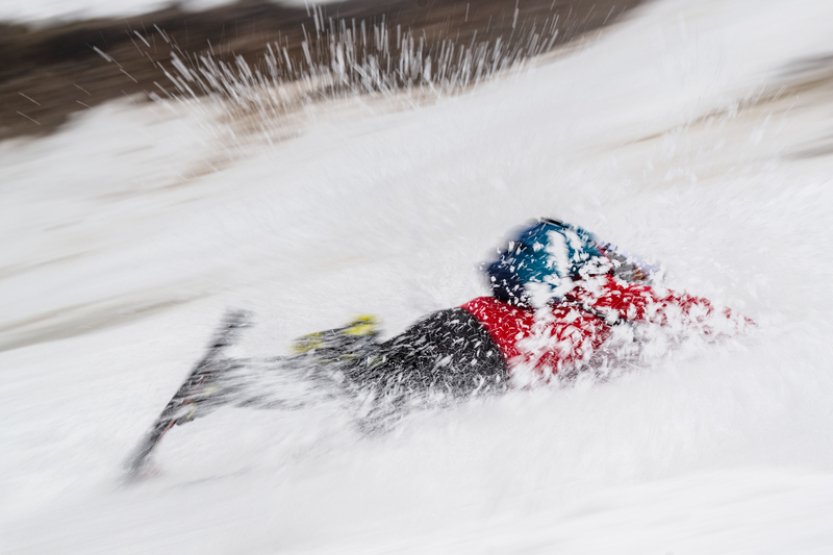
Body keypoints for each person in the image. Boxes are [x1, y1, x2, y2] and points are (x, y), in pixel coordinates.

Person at [294, 218, 749, 402]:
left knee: (370, 386)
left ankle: (335, 352)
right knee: (369, 389)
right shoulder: (607, 291)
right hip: (482, 353)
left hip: (458, 325)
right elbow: (691, 311)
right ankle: (251, 378)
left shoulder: (571, 294)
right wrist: (751, 329)